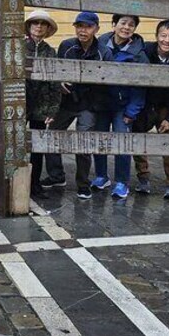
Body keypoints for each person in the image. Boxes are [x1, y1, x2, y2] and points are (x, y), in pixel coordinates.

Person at [54, 11, 113, 199]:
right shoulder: (67, 46)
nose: (83, 30)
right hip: (67, 101)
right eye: (79, 26)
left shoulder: (104, 52)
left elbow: (108, 81)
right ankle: (56, 175)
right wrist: (59, 83)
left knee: (84, 142)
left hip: (89, 103)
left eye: (87, 26)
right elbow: (56, 70)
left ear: (96, 29)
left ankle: (83, 183)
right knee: (51, 135)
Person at [133, 20, 169, 200]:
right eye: (163, 36)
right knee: (138, 139)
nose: (167, 40)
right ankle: (143, 178)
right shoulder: (145, 51)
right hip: (144, 102)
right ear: (157, 36)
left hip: (167, 104)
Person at [93, 14, 148, 199]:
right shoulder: (99, 44)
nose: (126, 27)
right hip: (101, 103)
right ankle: (101, 176)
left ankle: (122, 182)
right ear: (114, 24)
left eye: (131, 25)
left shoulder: (139, 53)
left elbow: (141, 86)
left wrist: (132, 111)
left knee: (122, 142)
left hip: (123, 106)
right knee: (99, 140)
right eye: (123, 23)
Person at [24, 11, 64, 199]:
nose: (38, 27)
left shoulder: (50, 51)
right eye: (35, 23)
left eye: (43, 24)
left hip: (41, 105)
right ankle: (15, 183)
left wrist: (52, 109)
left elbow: (54, 84)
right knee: (16, 144)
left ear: (47, 29)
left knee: (37, 147)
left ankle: (35, 184)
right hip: (20, 103)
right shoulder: (20, 47)